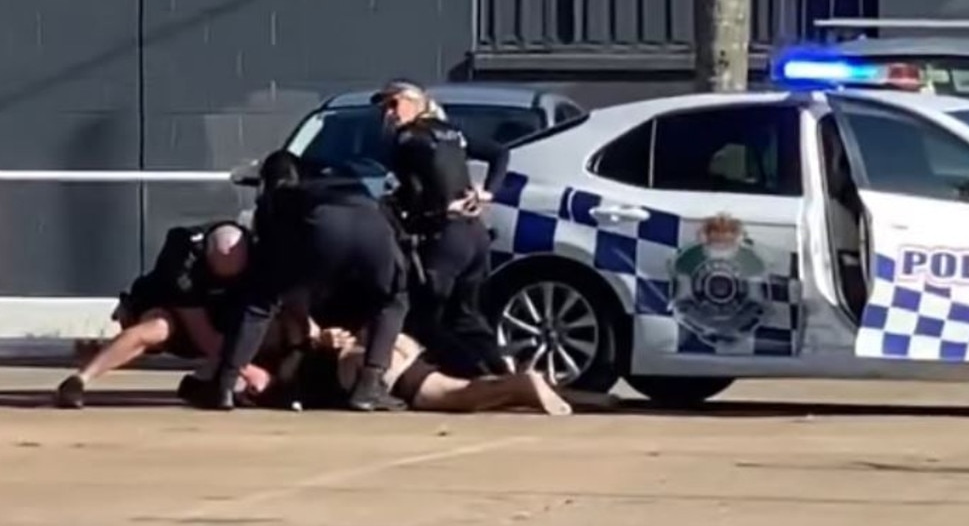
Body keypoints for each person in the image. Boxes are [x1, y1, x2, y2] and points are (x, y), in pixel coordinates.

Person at [194, 149, 410, 412]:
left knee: (261, 302)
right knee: (392, 299)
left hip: (324, 227)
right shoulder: (338, 180)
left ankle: (224, 385)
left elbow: (273, 269)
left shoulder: (280, 196)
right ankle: (369, 386)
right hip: (374, 227)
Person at [373, 79, 511, 379]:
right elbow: (499, 153)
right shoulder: (451, 132)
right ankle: (502, 372)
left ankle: (474, 376)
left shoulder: (407, 138)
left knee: (425, 320)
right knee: (467, 317)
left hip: (445, 237)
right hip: (474, 234)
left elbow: (414, 190)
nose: (389, 114)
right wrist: (489, 192)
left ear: (416, 101)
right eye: (385, 108)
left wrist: (414, 209)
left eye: (394, 104)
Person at [53, 222, 271, 408]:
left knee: (261, 326)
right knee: (158, 328)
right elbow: (203, 336)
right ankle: (78, 380)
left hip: (221, 319)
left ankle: (203, 383)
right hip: (172, 313)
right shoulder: (181, 258)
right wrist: (248, 370)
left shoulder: (259, 255)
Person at [261, 323, 580, 415]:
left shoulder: (279, 338)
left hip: (362, 362)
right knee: (455, 386)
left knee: (452, 396)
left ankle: (521, 384)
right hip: (382, 343)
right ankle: (521, 387)